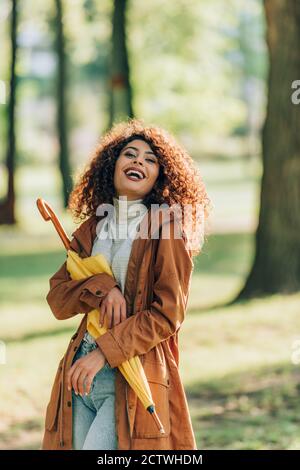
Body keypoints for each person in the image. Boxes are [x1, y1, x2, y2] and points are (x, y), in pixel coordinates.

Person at [41, 118, 211, 450]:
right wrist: (103, 287)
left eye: (150, 160)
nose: (138, 162)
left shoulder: (167, 229)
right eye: (129, 154)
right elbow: (58, 298)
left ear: (160, 176)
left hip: (132, 376)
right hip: (78, 373)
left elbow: (168, 315)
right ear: (112, 165)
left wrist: (104, 353)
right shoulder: (93, 227)